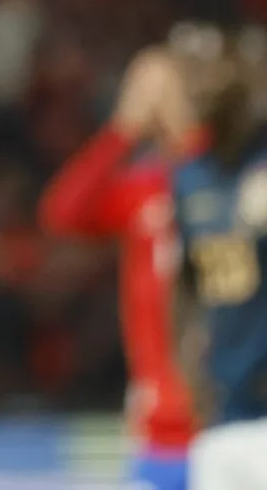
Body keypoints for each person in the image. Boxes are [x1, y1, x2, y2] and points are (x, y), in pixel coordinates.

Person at [40, 45, 198, 490]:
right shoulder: (145, 189)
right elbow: (63, 213)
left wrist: (189, 130)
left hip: (226, 418)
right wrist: (121, 131)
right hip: (158, 427)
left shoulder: (230, 178)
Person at [165, 23, 267, 490]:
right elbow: (185, 289)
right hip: (222, 422)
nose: (205, 87)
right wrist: (191, 381)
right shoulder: (189, 180)